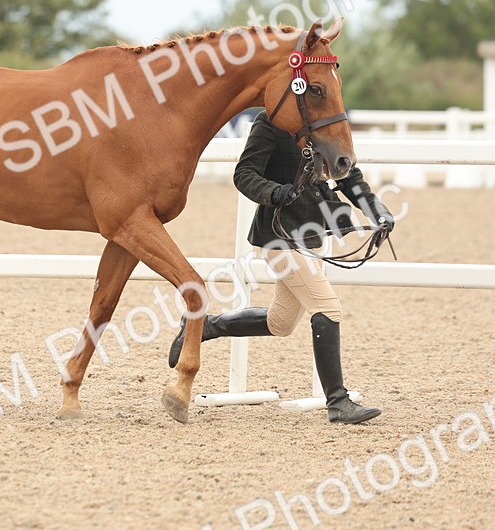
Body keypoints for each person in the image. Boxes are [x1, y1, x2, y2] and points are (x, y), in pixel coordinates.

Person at [168, 110, 394, 424]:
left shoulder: (325, 124)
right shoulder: (270, 124)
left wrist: (377, 210)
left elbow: (348, 176)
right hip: (277, 236)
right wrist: (274, 192)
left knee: (281, 323)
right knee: (327, 307)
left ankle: (207, 325)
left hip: (309, 234)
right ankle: (338, 403)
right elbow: (244, 174)